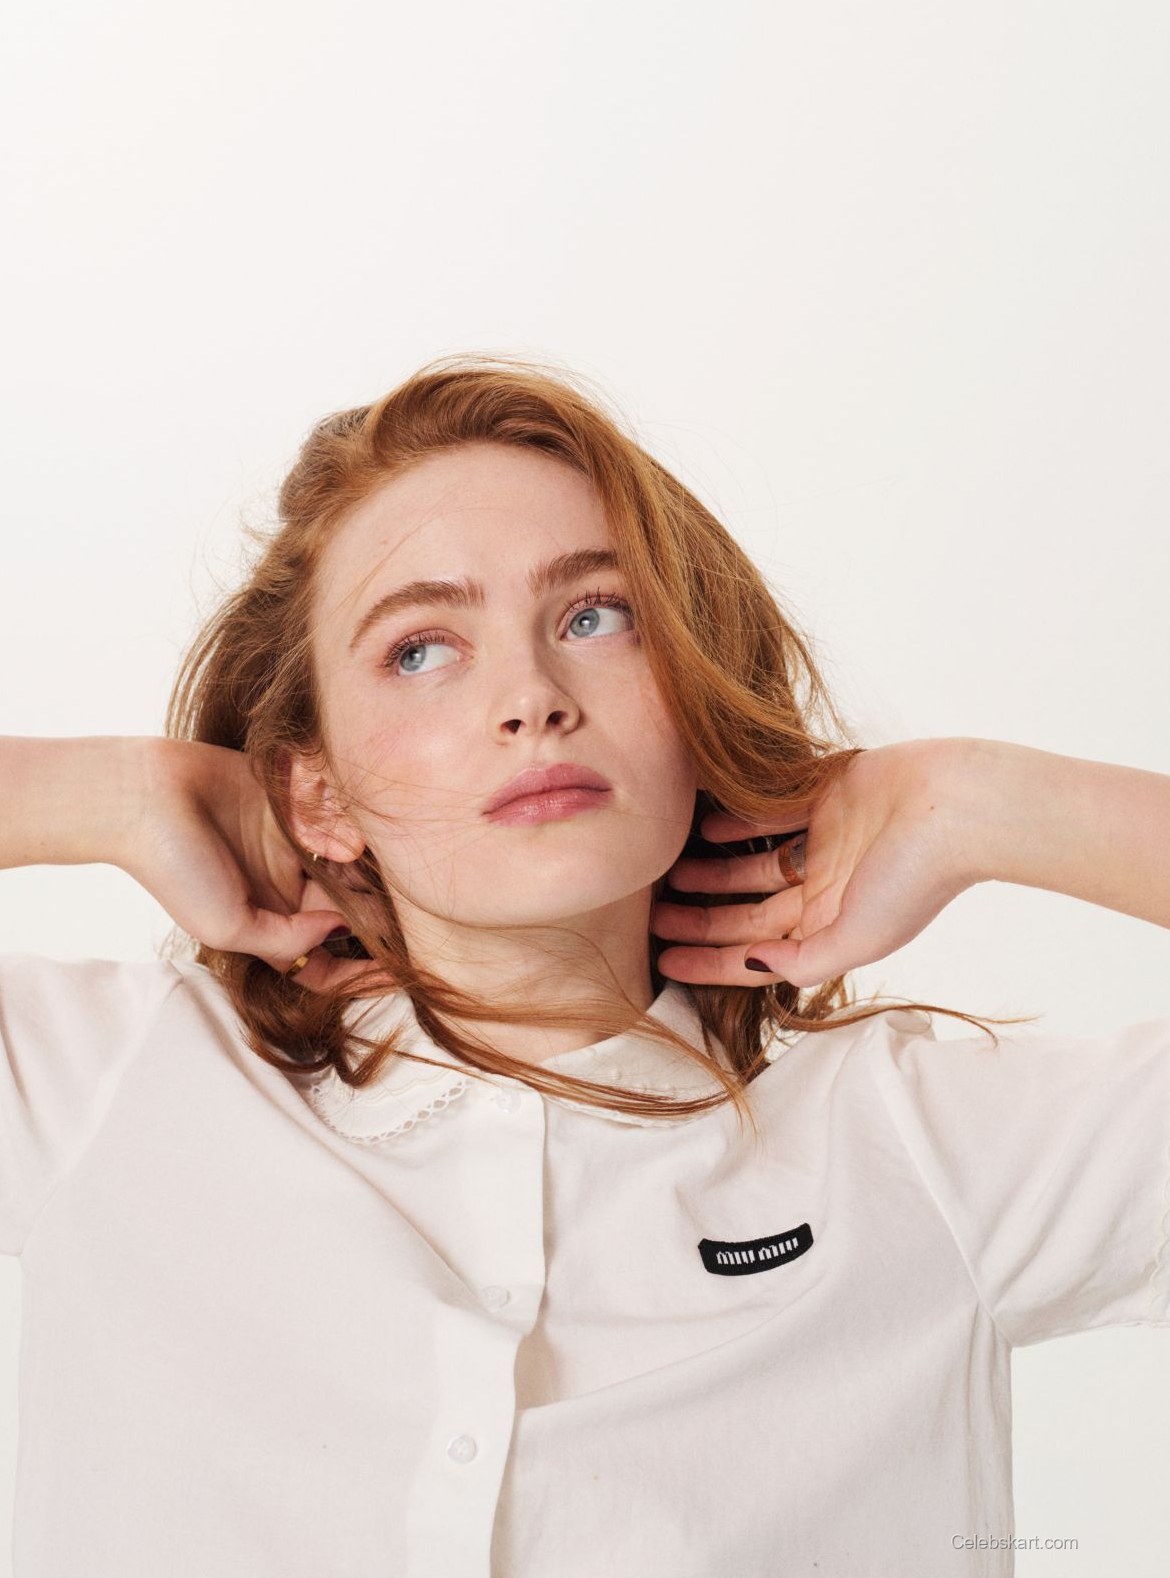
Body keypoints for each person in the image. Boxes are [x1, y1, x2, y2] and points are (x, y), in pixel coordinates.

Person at [2, 354, 1168, 1578]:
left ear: (693, 697)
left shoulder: (922, 1145)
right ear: (317, 793)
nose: (531, 697)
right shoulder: (104, 1088)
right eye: (420, 650)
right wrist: (95, 793)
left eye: (594, 617)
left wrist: (984, 805)